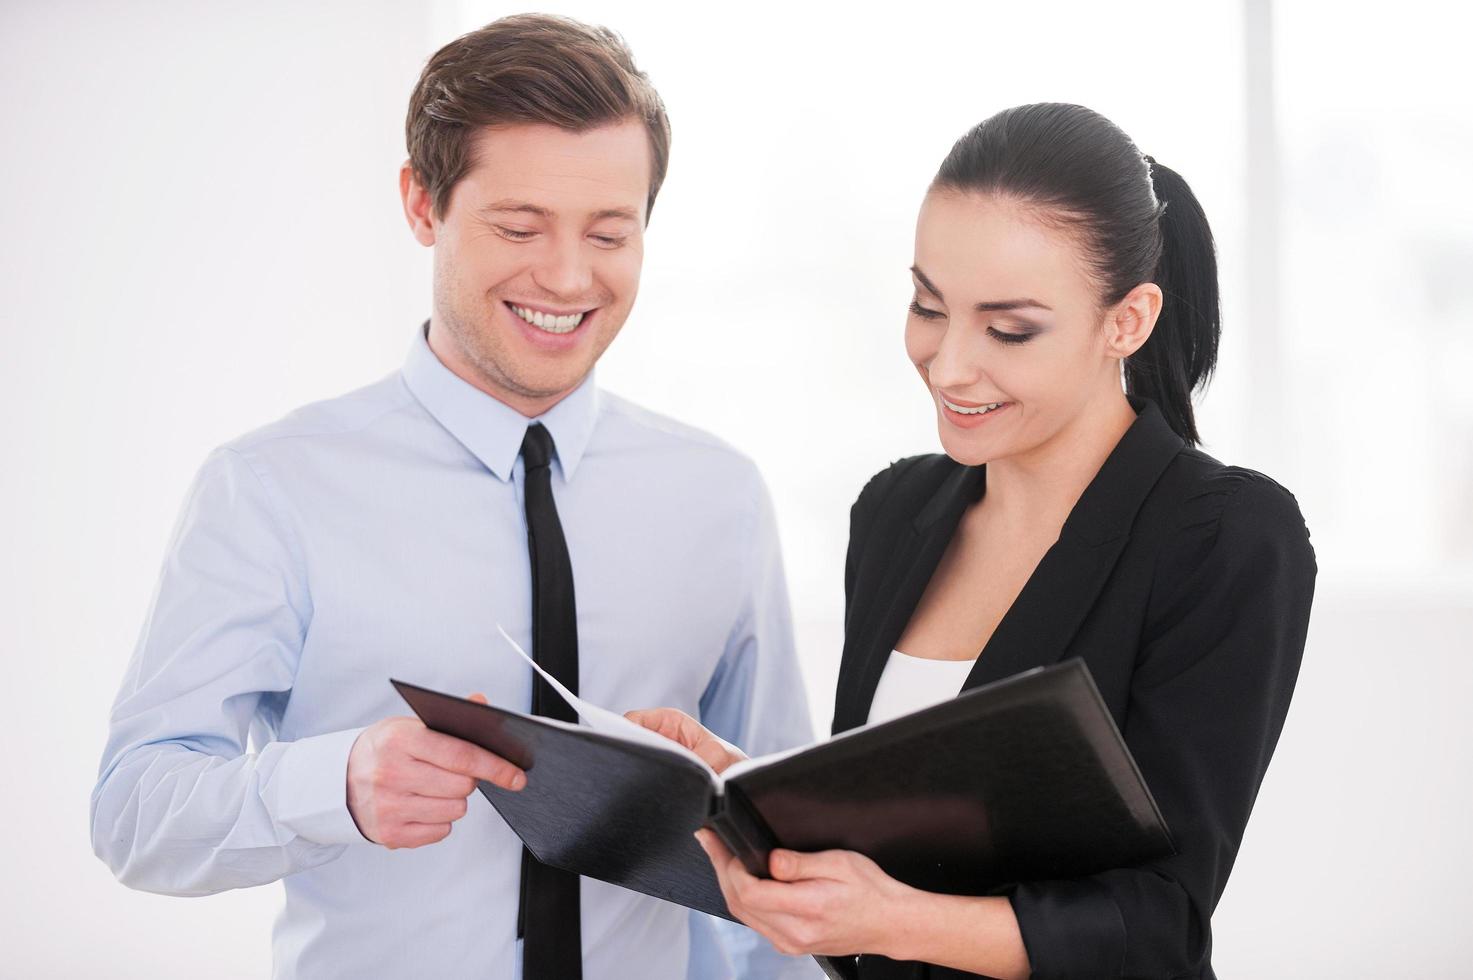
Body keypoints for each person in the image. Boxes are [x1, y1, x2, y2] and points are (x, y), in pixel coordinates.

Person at [89, 14, 817, 980]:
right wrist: (331, 785)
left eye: (609, 232)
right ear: (421, 204)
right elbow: (133, 812)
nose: (566, 276)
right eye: (519, 226)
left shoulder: (717, 496)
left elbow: (787, 846)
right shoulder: (272, 488)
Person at [629, 103, 1316, 979]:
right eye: (927, 305)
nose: (948, 364)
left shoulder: (1222, 537)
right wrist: (748, 800)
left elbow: (1156, 929)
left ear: (1127, 321)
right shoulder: (895, 510)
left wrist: (892, 918)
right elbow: (897, 847)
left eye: (1008, 329)